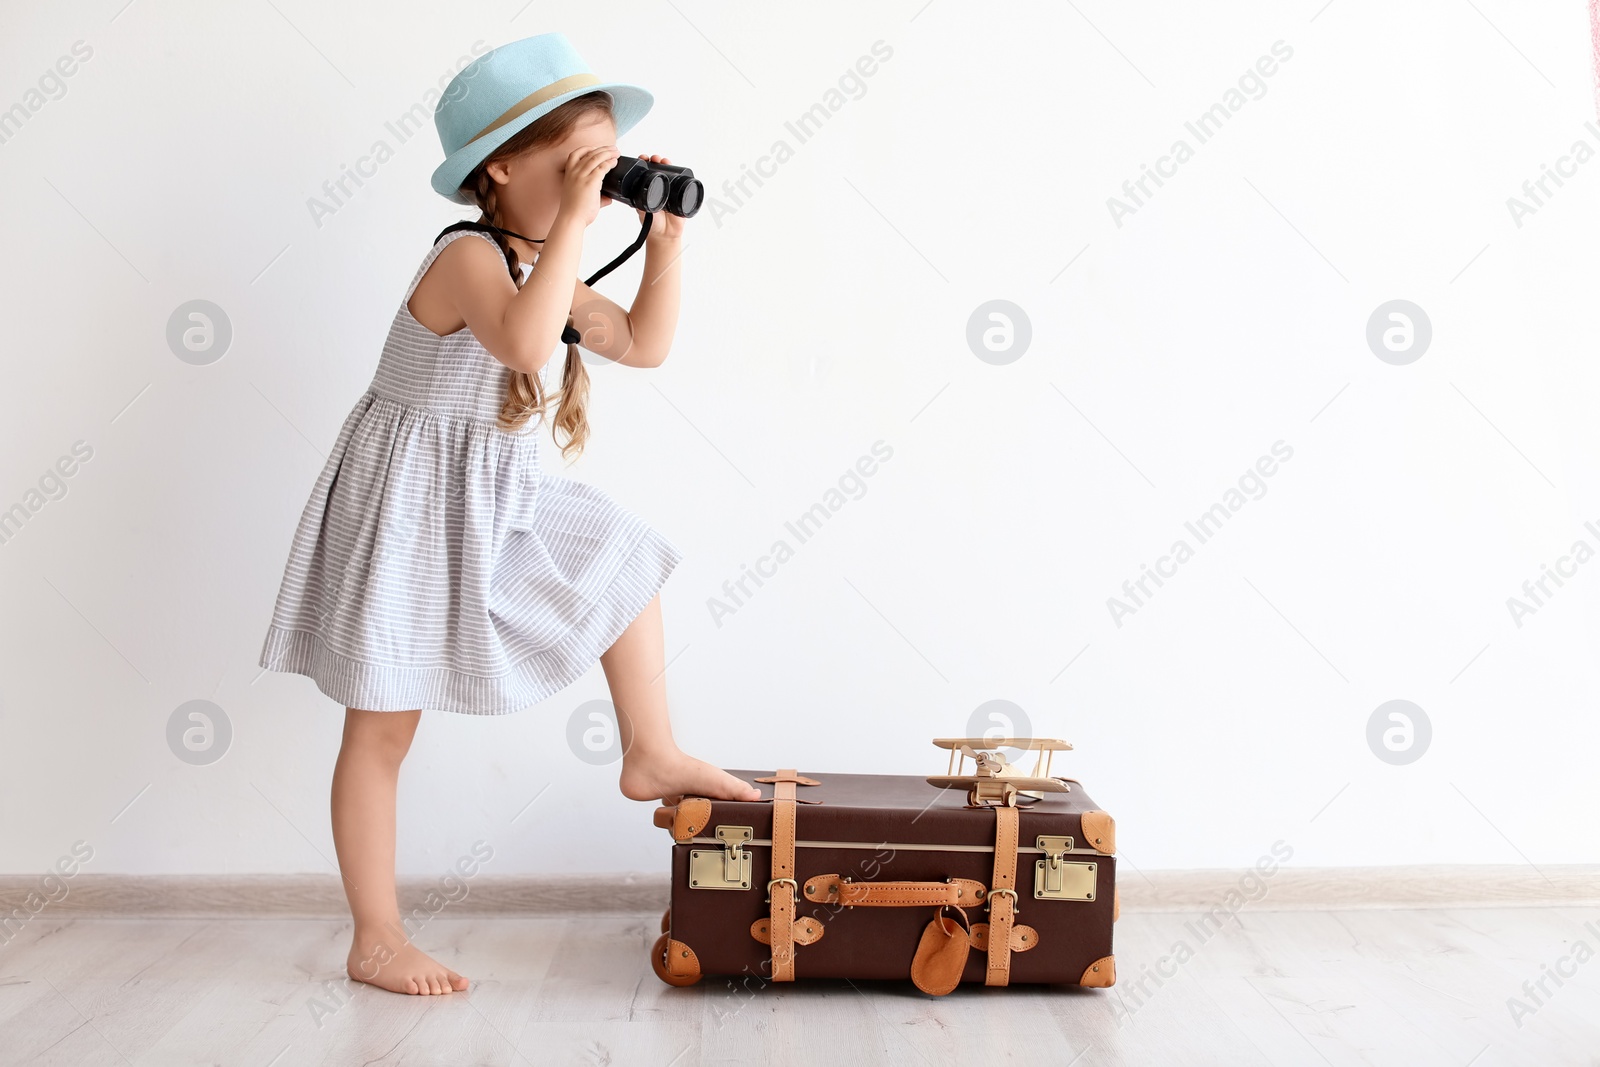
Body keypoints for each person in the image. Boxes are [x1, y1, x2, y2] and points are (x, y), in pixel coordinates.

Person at [256, 32, 760, 997]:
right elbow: (529, 344)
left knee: (620, 552)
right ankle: (374, 936)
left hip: (491, 500)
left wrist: (664, 246)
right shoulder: (466, 259)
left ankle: (649, 749)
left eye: (608, 171)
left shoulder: (542, 261)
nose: (598, 189)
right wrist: (576, 219)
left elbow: (645, 346)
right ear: (500, 167)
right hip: (408, 509)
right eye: (581, 168)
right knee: (382, 732)